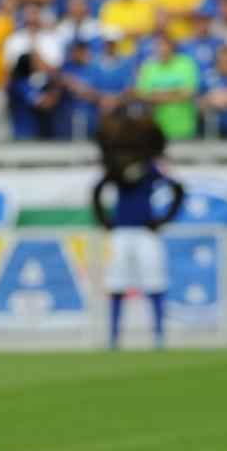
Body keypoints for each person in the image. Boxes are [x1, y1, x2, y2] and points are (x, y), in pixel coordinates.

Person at [92, 111, 185, 350]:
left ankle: (159, 335)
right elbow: (98, 191)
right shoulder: (117, 168)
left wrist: (163, 220)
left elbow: (177, 190)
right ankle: (114, 337)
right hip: (121, 232)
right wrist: (104, 220)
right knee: (116, 282)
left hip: (145, 231)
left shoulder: (150, 169)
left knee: (154, 281)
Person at [135, 34, 199, 140]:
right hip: (156, 129)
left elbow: (189, 92)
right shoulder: (148, 67)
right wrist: (175, 92)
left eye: (165, 45)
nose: (162, 49)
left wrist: (157, 94)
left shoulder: (186, 64)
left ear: (172, 47)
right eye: (158, 46)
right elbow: (142, 95)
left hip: (183, 128)